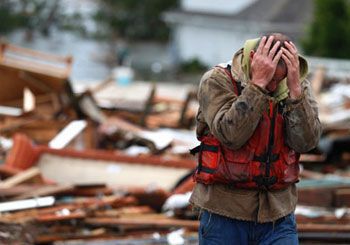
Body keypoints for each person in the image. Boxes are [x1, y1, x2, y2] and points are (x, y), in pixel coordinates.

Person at [189, 33, 322, 244]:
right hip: (224, 216)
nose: (274, 87)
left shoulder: (293, 85)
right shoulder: (217, 80)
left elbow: (306, 142)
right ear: (254, 60)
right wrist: (258, 85)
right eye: (271, 78)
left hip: (278, 218)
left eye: (280, 80)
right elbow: (230, 135)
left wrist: (296, 93)